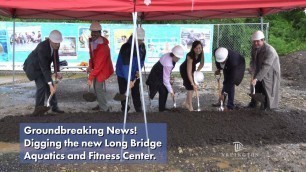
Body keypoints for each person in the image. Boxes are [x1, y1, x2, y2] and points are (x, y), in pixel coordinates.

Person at [23, 30, 64, 116]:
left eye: (59, 43)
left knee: (51, 87)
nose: (57, 45)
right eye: (56, 43)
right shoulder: (42, 47)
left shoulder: (56, 45)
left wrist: (57, 71)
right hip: (34, 68)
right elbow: (44, 67)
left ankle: (54, 107)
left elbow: (56, 58)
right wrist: (49, 84)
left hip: (43, 67)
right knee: (42, 86)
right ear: (50, 40)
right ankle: (38, 109)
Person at [248, 30, 281, 110]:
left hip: (271, 71)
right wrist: (252, 69)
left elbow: (266, 66)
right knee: (255, 86)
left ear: (263, 40)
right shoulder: (254, 47)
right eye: (254, 41)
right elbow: (252, 60)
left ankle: (268, 106)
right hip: (260, 68)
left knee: (267, 87)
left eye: (258, 41)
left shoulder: (270, 51)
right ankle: (253, 103)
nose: (256, 43)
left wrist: (257, 78)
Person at [116, 27, 146, 112]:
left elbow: (141, 60)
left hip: (134, 73)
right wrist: (129, 80)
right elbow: (125, 66)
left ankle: (138, 108)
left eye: (141, 40)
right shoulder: (126, 47)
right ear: (134, 37)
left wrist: (138, 71)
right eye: (139, 40)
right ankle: (124, 107)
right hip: (122, 73)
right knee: (123, 91)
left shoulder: (142, 47)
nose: (140, 42)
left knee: (136, 91)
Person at [146, 45, 184, 112]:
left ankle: (162, 108)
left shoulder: (169, 55)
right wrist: (171, 91)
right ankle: (161, 110)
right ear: (174, 55)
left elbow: (166, 74)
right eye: (178, 57)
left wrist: (169, 81)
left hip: (158, 73)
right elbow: (165, 79)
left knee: (164, 90)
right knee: (163, 90)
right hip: (156, 76)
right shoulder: (168, 63)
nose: (178, 59)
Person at [86, 22, 114, 112]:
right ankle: (101, 104)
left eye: (95, 32)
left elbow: (99, 65)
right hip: (98, 67)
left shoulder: (103, 47)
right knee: (96, 87)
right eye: (92, 32)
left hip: (103, 69)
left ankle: (104, 108)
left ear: (100, 32)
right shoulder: (92, 41)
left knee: (98, 88)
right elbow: (92, 56)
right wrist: (90, 66)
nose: (93, 34)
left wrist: (90, 77)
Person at [179, 40, 204, 111]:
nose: (199, 50)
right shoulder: (190, 56)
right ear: (193, 48)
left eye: (200, 48)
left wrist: (196, 72)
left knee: (193, 87)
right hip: (184, 69)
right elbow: (189, 72)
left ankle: (186, 102)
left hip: (193, 69)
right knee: (190, 87)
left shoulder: (201, 52)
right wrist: (192, 83)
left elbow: (202, 64)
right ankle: (190, 106)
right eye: (197, 48)